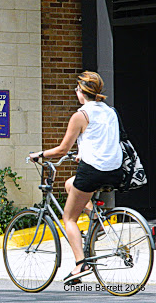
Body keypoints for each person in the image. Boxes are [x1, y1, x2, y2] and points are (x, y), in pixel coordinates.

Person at [29, 71, 123, 285]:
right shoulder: (111, 112)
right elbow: (104, 140)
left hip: (93, 171)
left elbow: (62, 150)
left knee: (69, 218)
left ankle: (81, 264)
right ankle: (97, 219)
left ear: (81, 92)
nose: (75, 92)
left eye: (77, 89)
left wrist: (39, 155)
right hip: (114, 170)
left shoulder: (80, 115)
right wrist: (84, 153)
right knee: (70, 184)